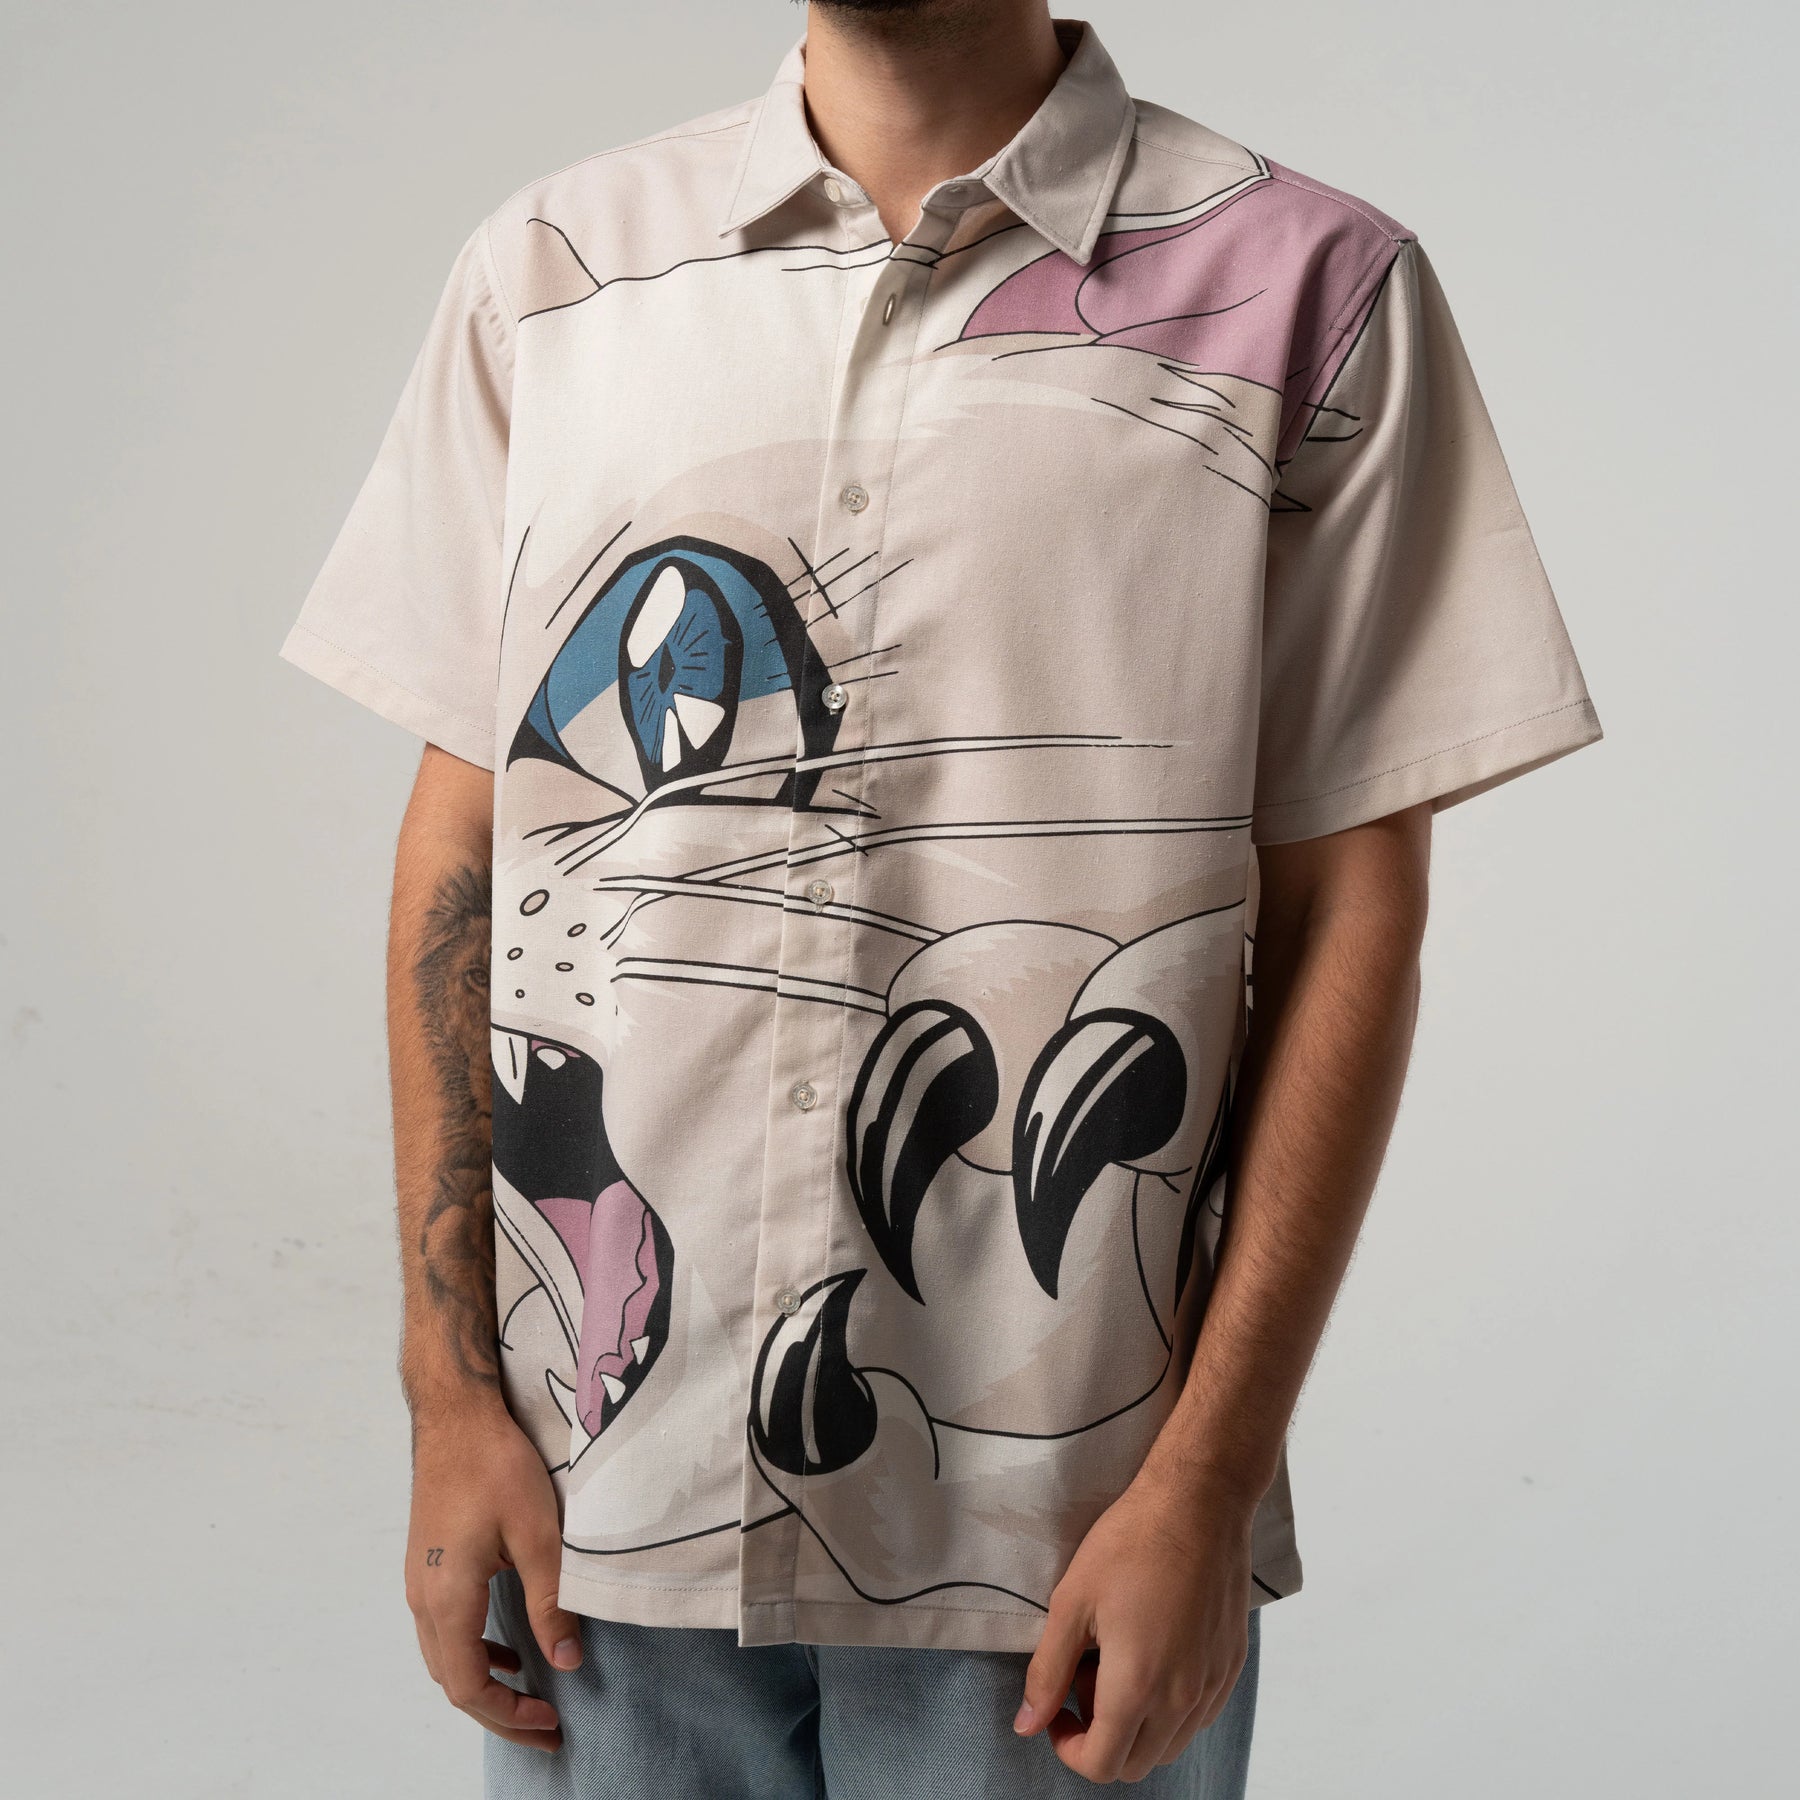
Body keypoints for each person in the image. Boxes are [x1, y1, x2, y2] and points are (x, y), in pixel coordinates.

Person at [281, 2, 1601, 1792]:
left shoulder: (1313, 288)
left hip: (1064, 1524)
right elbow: (466, 846)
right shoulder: (552, 274)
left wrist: (1207, 1483)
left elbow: (1349, 915)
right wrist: (449, 1399)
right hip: (603, 1495)